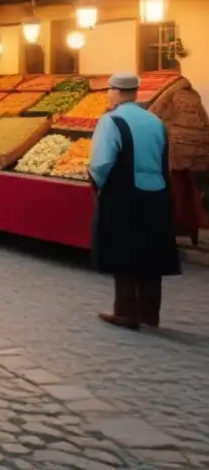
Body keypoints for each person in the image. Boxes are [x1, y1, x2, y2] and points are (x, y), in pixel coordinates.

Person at [89, 72, 180, 330]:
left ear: (115, 92)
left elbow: (101, 163)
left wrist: (99, 187)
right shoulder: (155, 121)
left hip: (124, 196)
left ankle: (126, 312)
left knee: (123, 252)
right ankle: (151, 314)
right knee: (152, 254)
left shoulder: (112, 121)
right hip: (158, 196)